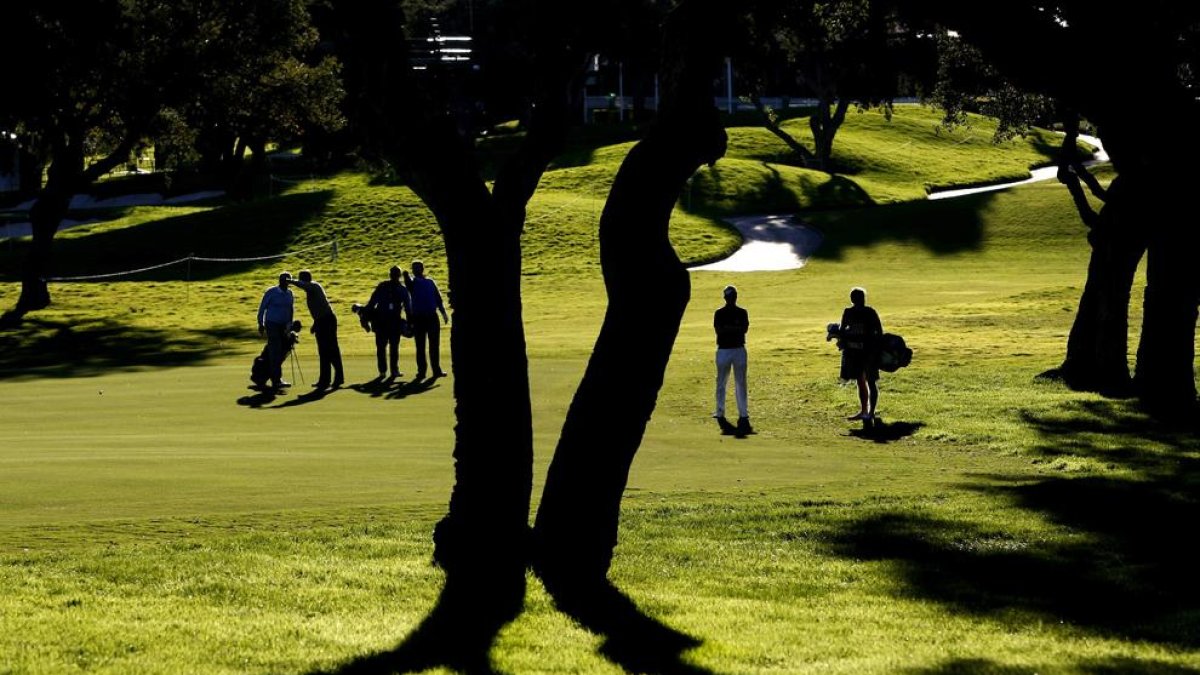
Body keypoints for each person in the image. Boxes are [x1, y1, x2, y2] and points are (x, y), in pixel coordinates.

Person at [287, 270, 344, 389]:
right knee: (323, 351)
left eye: (300, 279)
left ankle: (337, 378)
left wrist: (290, 281)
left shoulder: (314, 286)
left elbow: (303, 285)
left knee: (331, 349)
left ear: (304, 279)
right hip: (321, 321)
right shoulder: (311, 289)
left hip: (327, 320)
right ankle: (325, 380)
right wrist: (315, 324)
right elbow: (318, 310)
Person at [839, 286, 883, 421]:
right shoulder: (865, 312)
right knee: (863, 381)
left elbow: (842, 331)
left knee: (868, 381)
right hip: (858, 353)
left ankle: (869, 412)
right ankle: (866, 411)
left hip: (865, 352)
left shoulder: (864, 312)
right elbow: (879, 331)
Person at [713, 285, 751, 434]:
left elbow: (743, 329)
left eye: (732, 297)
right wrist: (734, 328)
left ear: (735, 297)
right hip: (724, 350)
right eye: (729, 297)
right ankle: (720, 411)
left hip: (738, 350)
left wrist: (729, 328)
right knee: (721, 382)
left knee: (740, 382)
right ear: (725, 298)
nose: (731, 299)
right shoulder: (719, 313)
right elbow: (719, 330)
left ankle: (743, 413)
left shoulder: (742, 312)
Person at [403, 260, 450, 379]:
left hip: (432, 316)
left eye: (418, 267)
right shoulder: (413, 282)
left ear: (422, 269)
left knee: (434, 345)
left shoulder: (430, 282)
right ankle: (422, 372)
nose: (416, 270)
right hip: (418, 318)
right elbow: (409, 285)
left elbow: (438, 298)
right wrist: (406, 276)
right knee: (420, 347)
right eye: (414, 268)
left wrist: (443, 313)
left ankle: (436, 370)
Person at [366, 265, 412, 379]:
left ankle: (386, 371)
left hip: (388, 321)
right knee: (389, 347)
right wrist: (410, 322)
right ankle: (391, 371)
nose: (395, 276)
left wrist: (368, 316)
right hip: (386, 321)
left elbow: (372, 303)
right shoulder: (399, 289)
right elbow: (408, 308)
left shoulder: (385, 286)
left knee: (386, 347)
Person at [257, 271, 295, 390]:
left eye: (288, 280)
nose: (286, 282)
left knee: (281, 351)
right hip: (272, 324)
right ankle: (276, 380)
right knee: (275, 351)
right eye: (284, 280)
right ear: (280, 281)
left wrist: (290, 324)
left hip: (284, 326)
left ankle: (271, 377)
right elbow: (262, 308)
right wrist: (261, 323)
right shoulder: (271, 292)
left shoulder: (289, 293)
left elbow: (290, 309)